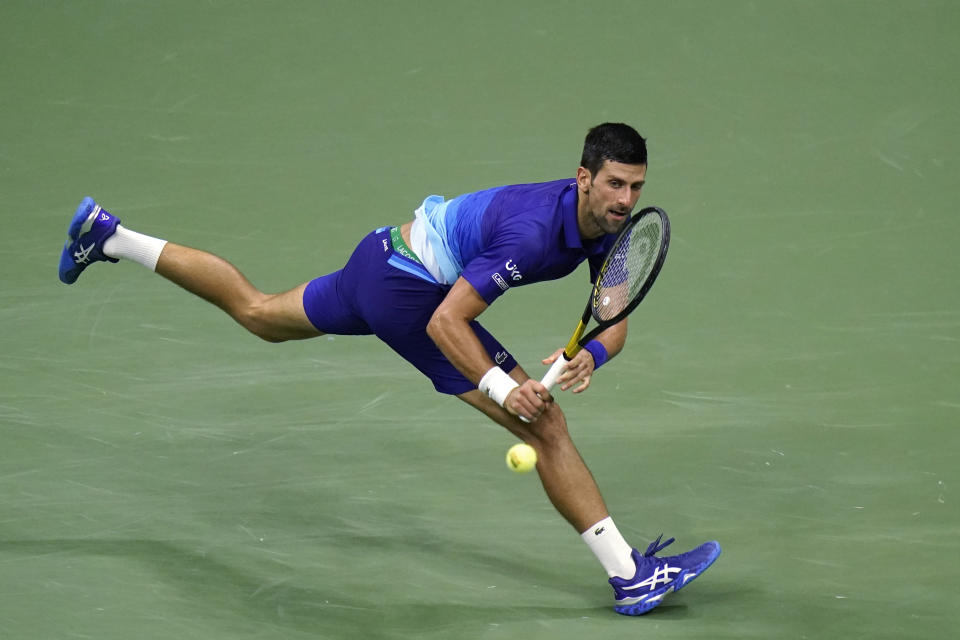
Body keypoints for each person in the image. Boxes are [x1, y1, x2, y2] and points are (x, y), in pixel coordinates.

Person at [58, 122, 719, 615]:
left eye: (635, 187)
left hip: (379, 258)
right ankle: (630, 576)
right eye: (613, 184)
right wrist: (502, 389)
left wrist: (591, 355)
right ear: (583, 177)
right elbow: (444, 323)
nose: (625, 199)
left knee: (260, 313)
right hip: (409, 293)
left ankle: (111, 236)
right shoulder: (531, 235)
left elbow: (616, 312)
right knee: (544, 428)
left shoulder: (607, 230)